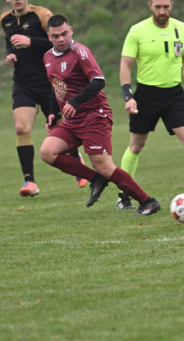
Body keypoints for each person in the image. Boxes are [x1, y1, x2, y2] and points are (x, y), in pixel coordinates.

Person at [38, 15, 161, 216]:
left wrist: (76, 101)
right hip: (73, 120)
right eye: (55, 36)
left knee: (104, 166)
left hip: (95, 115)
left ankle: (147, 201)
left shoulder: (81, 53)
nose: (61, 39)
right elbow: (56, 85)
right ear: (49, 37)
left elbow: (98, 80)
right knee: (47, 152)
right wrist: (52, 112)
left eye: (64, 34)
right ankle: (95, 179)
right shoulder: (47, 57)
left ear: (71, 30)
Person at [118, 0, 184, 210]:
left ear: (172, 5)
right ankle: (124, 194)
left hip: (174, 94)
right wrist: (128, 96)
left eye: (166, 6)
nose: (162, 11)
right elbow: (125, 65)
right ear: (150, 6)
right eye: (158, 7)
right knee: (136, 145)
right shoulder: (137, 31)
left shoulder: (182, 29)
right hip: (145, 95)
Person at [0, 0, 87, 197]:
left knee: (61, 127)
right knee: (21, 128)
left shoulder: (42, 14)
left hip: (49, 82)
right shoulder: (5, 20)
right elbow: (10, 45)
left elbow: (57, 42)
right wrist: (11, 56)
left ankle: (78, 165)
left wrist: (31, 41)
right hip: (23, 82)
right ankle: (30, 182)